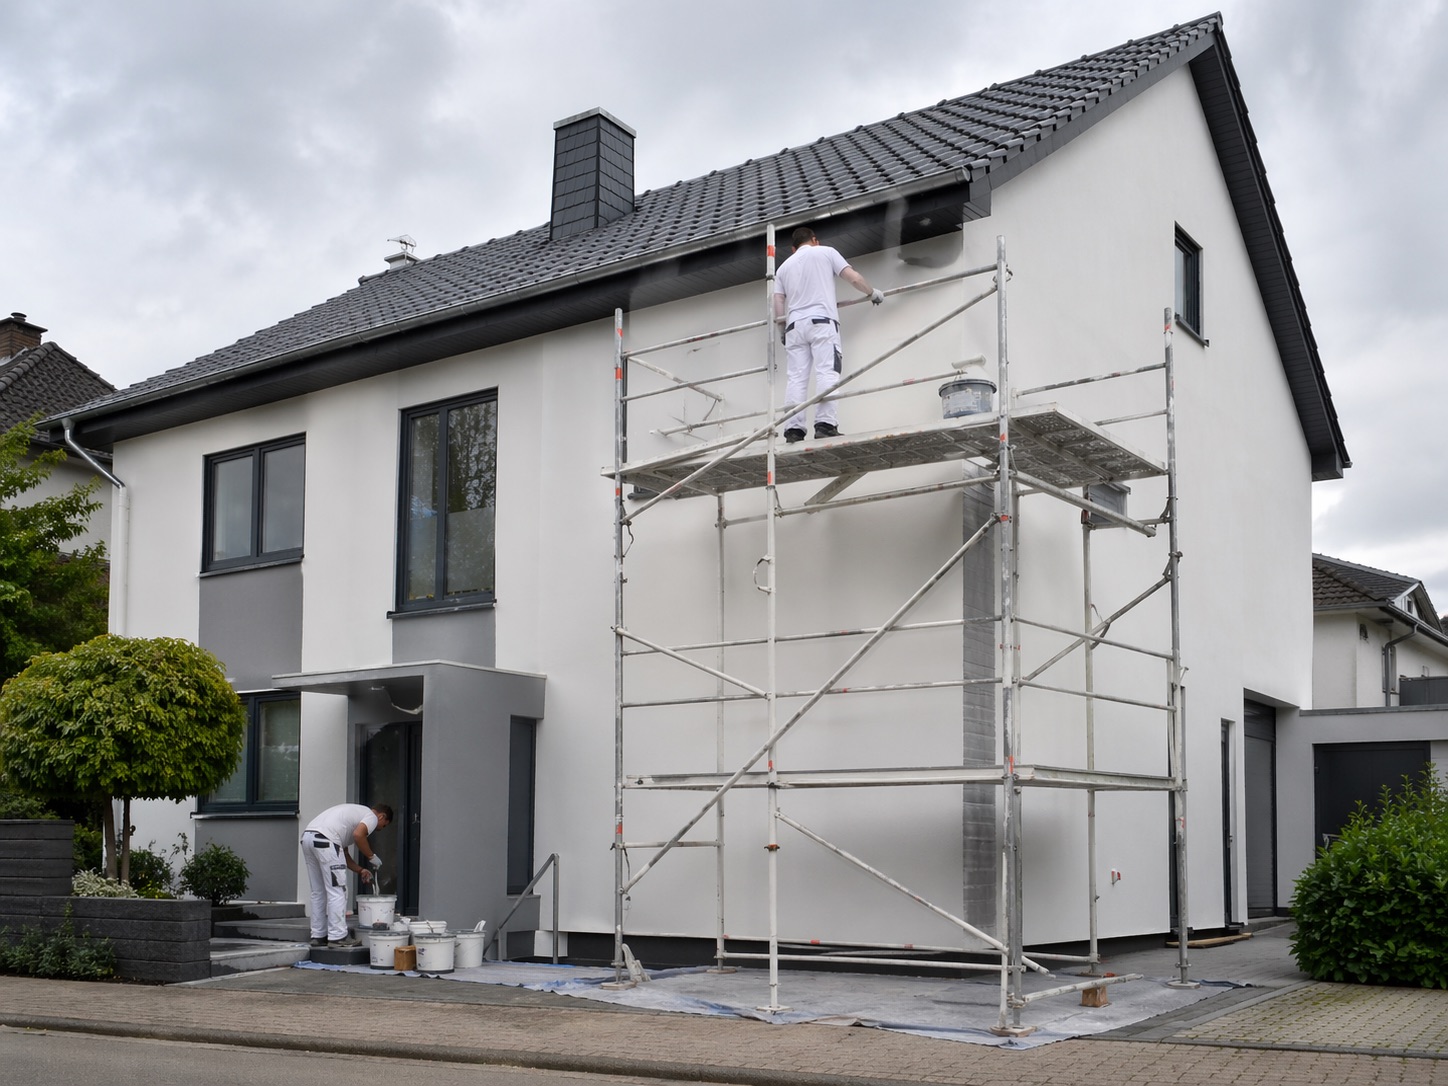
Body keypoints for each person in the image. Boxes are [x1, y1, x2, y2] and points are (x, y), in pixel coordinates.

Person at [773, 226, 885, 442]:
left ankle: (793, 430)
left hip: (794, 326)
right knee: (827, 371)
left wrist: (781, 329)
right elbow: (852, 278)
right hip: (821, 321)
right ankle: (825, 424)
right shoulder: (826, 252)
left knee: (796, 378)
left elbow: (778, 301)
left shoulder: (783, 268)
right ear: (815, 240)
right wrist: (872, 293)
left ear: (793, 248)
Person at [300, 802, 393, 947]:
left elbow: (342, 853)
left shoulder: (349, 817)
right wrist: (371, 856)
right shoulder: (371, 816)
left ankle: (318, 936)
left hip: (308, 838)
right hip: (326, 841)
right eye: (384, 825)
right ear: (381, 816)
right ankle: (338, 936)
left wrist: (360, 870)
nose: (379, 829)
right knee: (338, 890)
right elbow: (358, 835)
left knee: (318, 892)